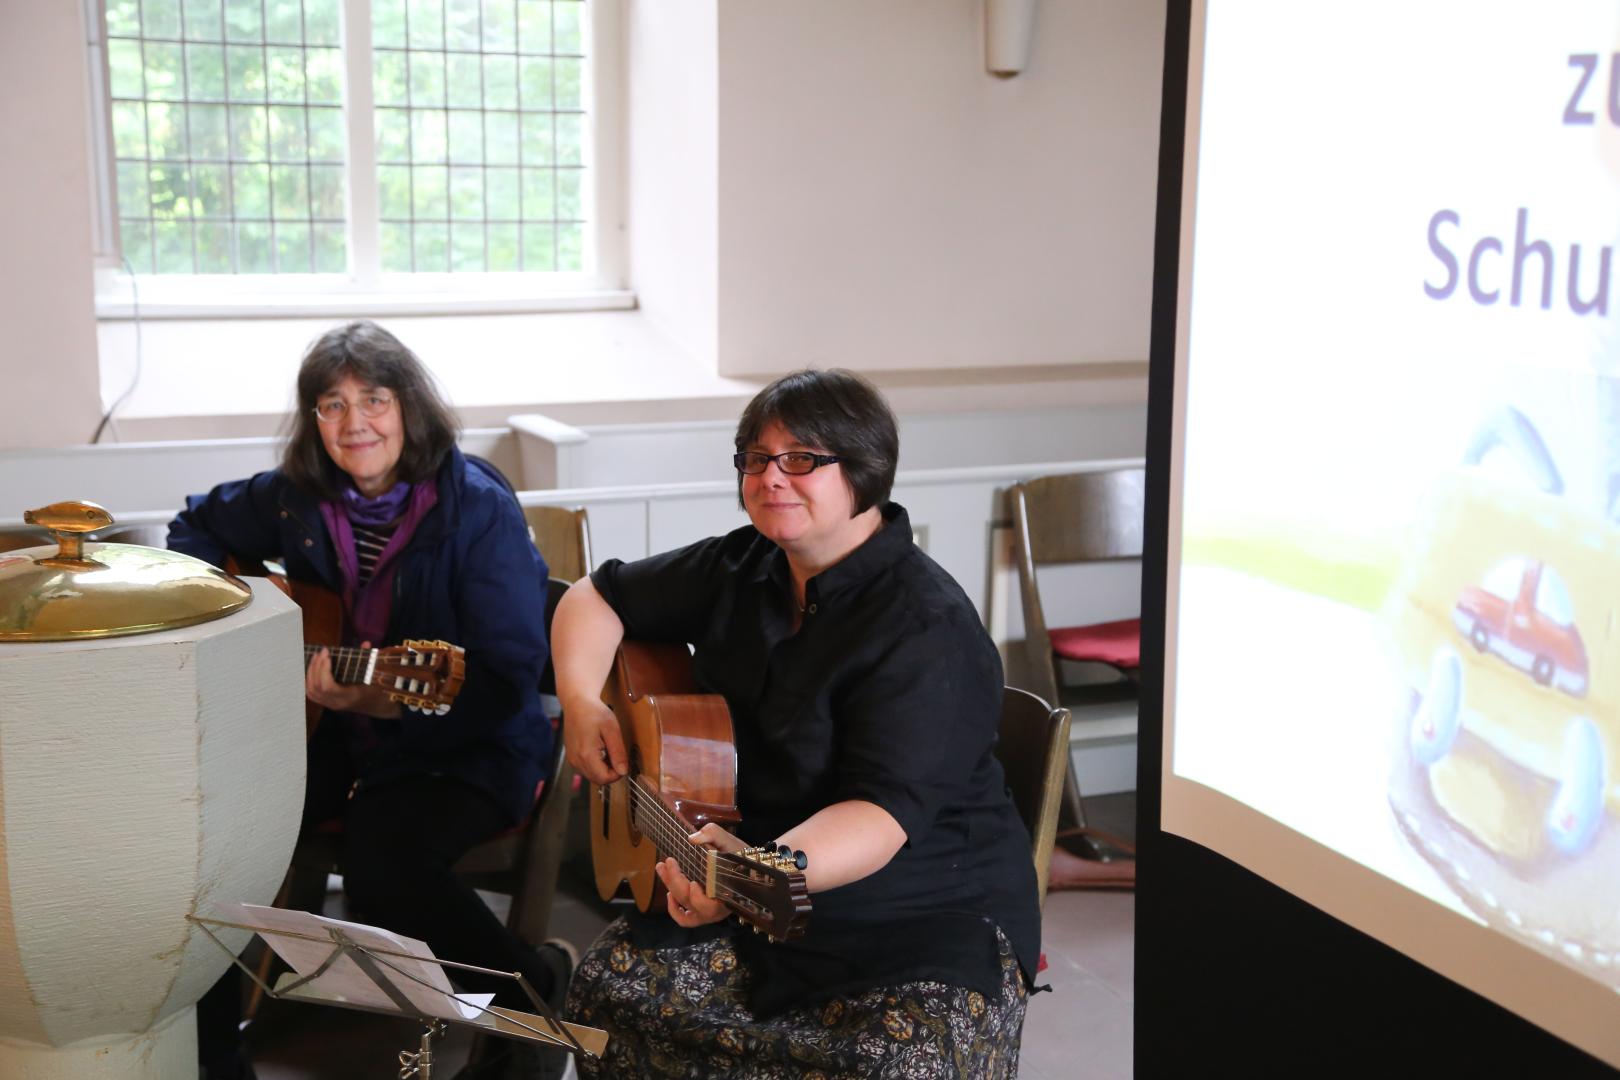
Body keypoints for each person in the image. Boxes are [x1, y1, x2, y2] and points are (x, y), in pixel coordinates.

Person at [553, 368, 1041, 1078]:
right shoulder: (742, 565)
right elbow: (592, 598)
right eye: (756, 459)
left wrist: (745, 874)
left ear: (865, 473)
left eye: (802, 460)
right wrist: (580, 701)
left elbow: (877, 818)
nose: (772, 478)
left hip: (918, 915)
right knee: (606, 987)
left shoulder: (925, 626)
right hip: (753, 889)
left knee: (886, 1062)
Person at [168, 320, 570, 1079]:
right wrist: (249, 614)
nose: (354, 424)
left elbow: (509, 673)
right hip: (334, 737)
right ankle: (215, 1056)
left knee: (385, 860)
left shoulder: (475, 508)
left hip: (468, 745)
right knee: (217, 835)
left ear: (410, 408)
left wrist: (388, 704)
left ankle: (526, 997)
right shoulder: (297, 499)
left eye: (374, 400)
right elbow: (192, 525)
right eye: (331, 405)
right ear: (312, 419)